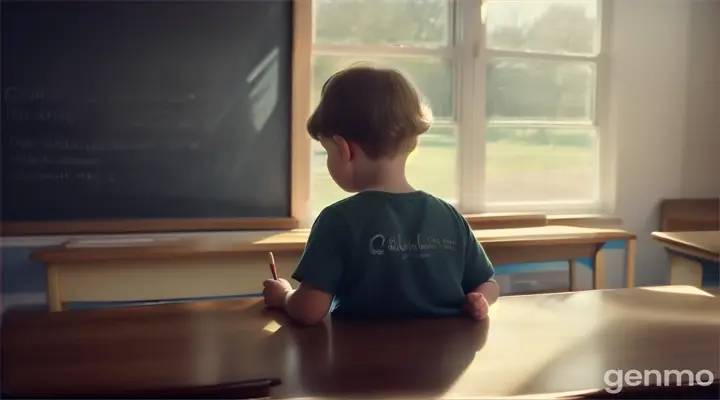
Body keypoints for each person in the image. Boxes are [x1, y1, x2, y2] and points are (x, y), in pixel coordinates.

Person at [262, 64, 499, 325]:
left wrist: (283, 295)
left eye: (327, 152)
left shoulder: (337, 220)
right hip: (442, 362)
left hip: (364, 362)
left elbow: (309, 310)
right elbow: (488, 284)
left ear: (344, 150)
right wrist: (479, 299)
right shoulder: (449, 216)